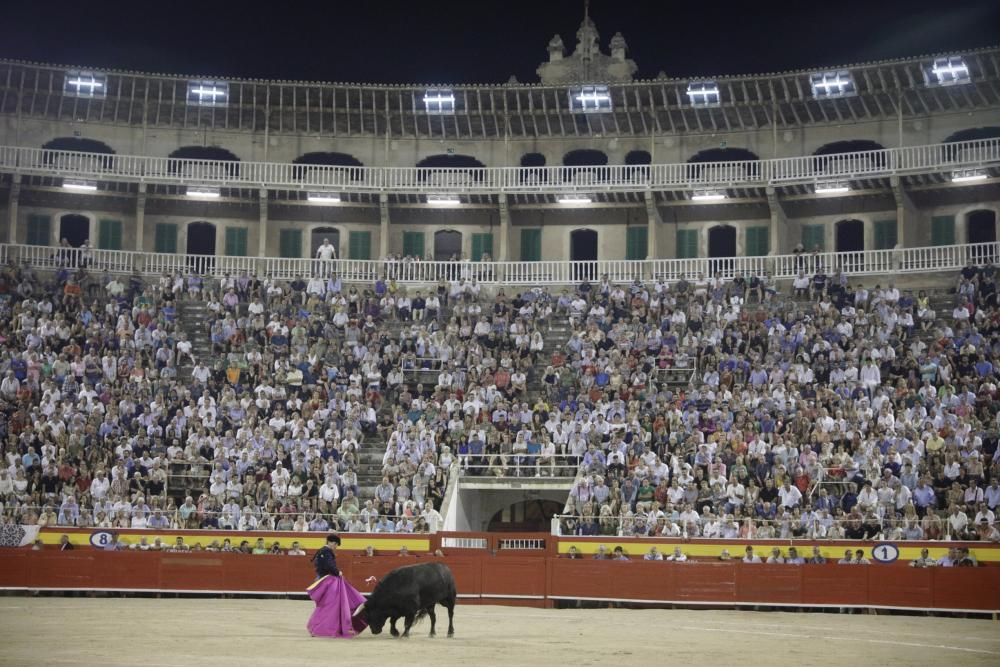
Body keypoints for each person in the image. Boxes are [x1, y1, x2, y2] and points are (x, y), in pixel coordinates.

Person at [306, 534, 367, 638]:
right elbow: (329, 565)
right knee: (329, 605)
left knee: (325, 605)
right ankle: (319, 628)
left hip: (323, 579)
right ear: (331, 542)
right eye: (335, 544)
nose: (335, 547)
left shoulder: (321, 551)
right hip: (328, 581)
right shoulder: (326, 551)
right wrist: (337, 572)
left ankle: (317, 627)